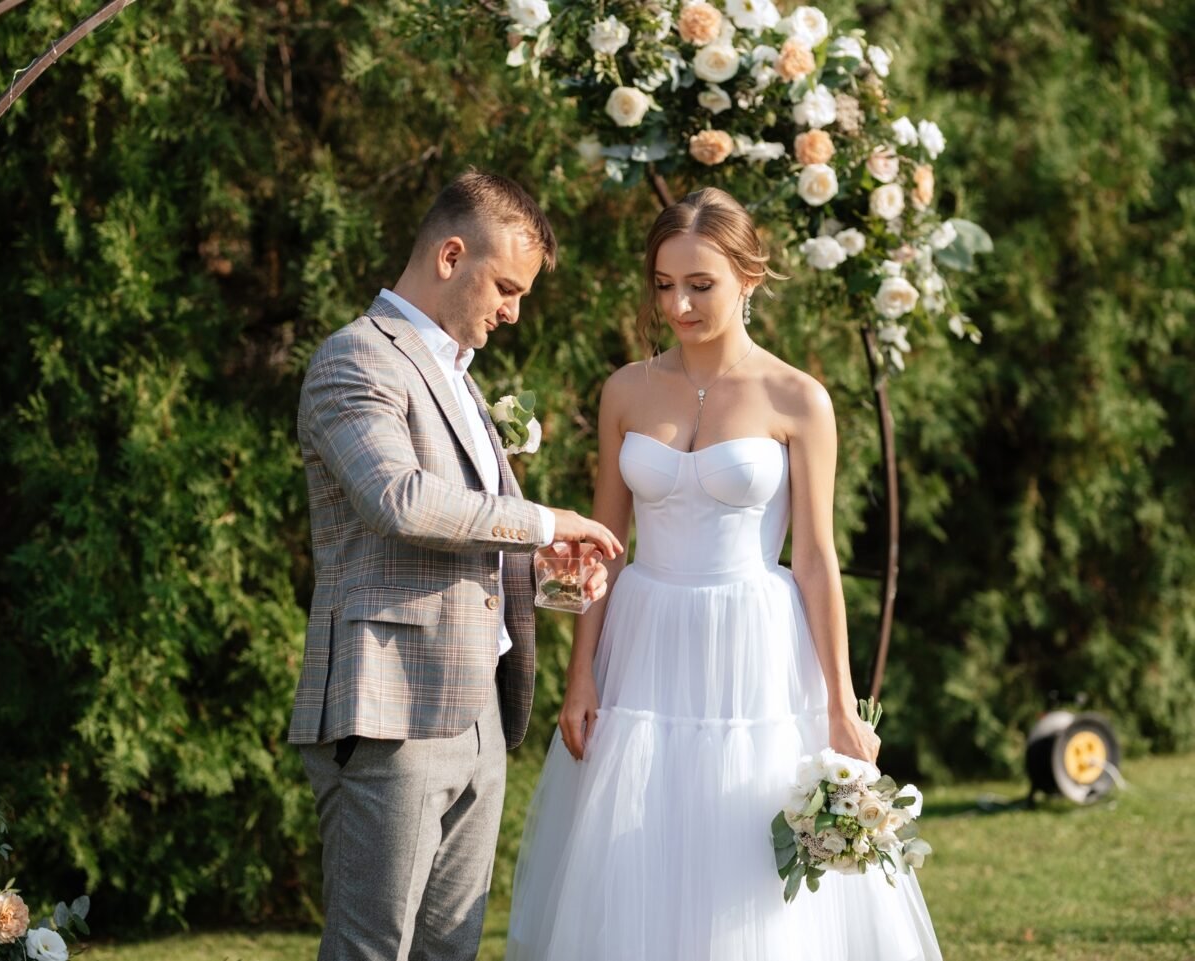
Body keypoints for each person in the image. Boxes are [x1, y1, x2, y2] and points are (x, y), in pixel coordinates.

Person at [505, 187, 942, 960]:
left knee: (743, 849)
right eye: (664, 284)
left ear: (749, 278)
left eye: (700, 285)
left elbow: (813, 558)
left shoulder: (798, 399)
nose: (678, 304)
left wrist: (841, 703)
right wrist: (582, 677)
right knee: (636, 856)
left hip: (756, 645)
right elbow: (605, 543)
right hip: (643, 640)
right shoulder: (626, 390)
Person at [292, 169, 624, 961]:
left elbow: (469, 537)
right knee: (373, 946)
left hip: (481, 708)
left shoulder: (464, 385)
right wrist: (546, 516)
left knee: (452, 948)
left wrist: (547, 561)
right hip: (392, 705)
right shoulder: (355, 359)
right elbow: (401, 501)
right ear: (450, 255)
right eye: (506, 286)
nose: (513, 310)